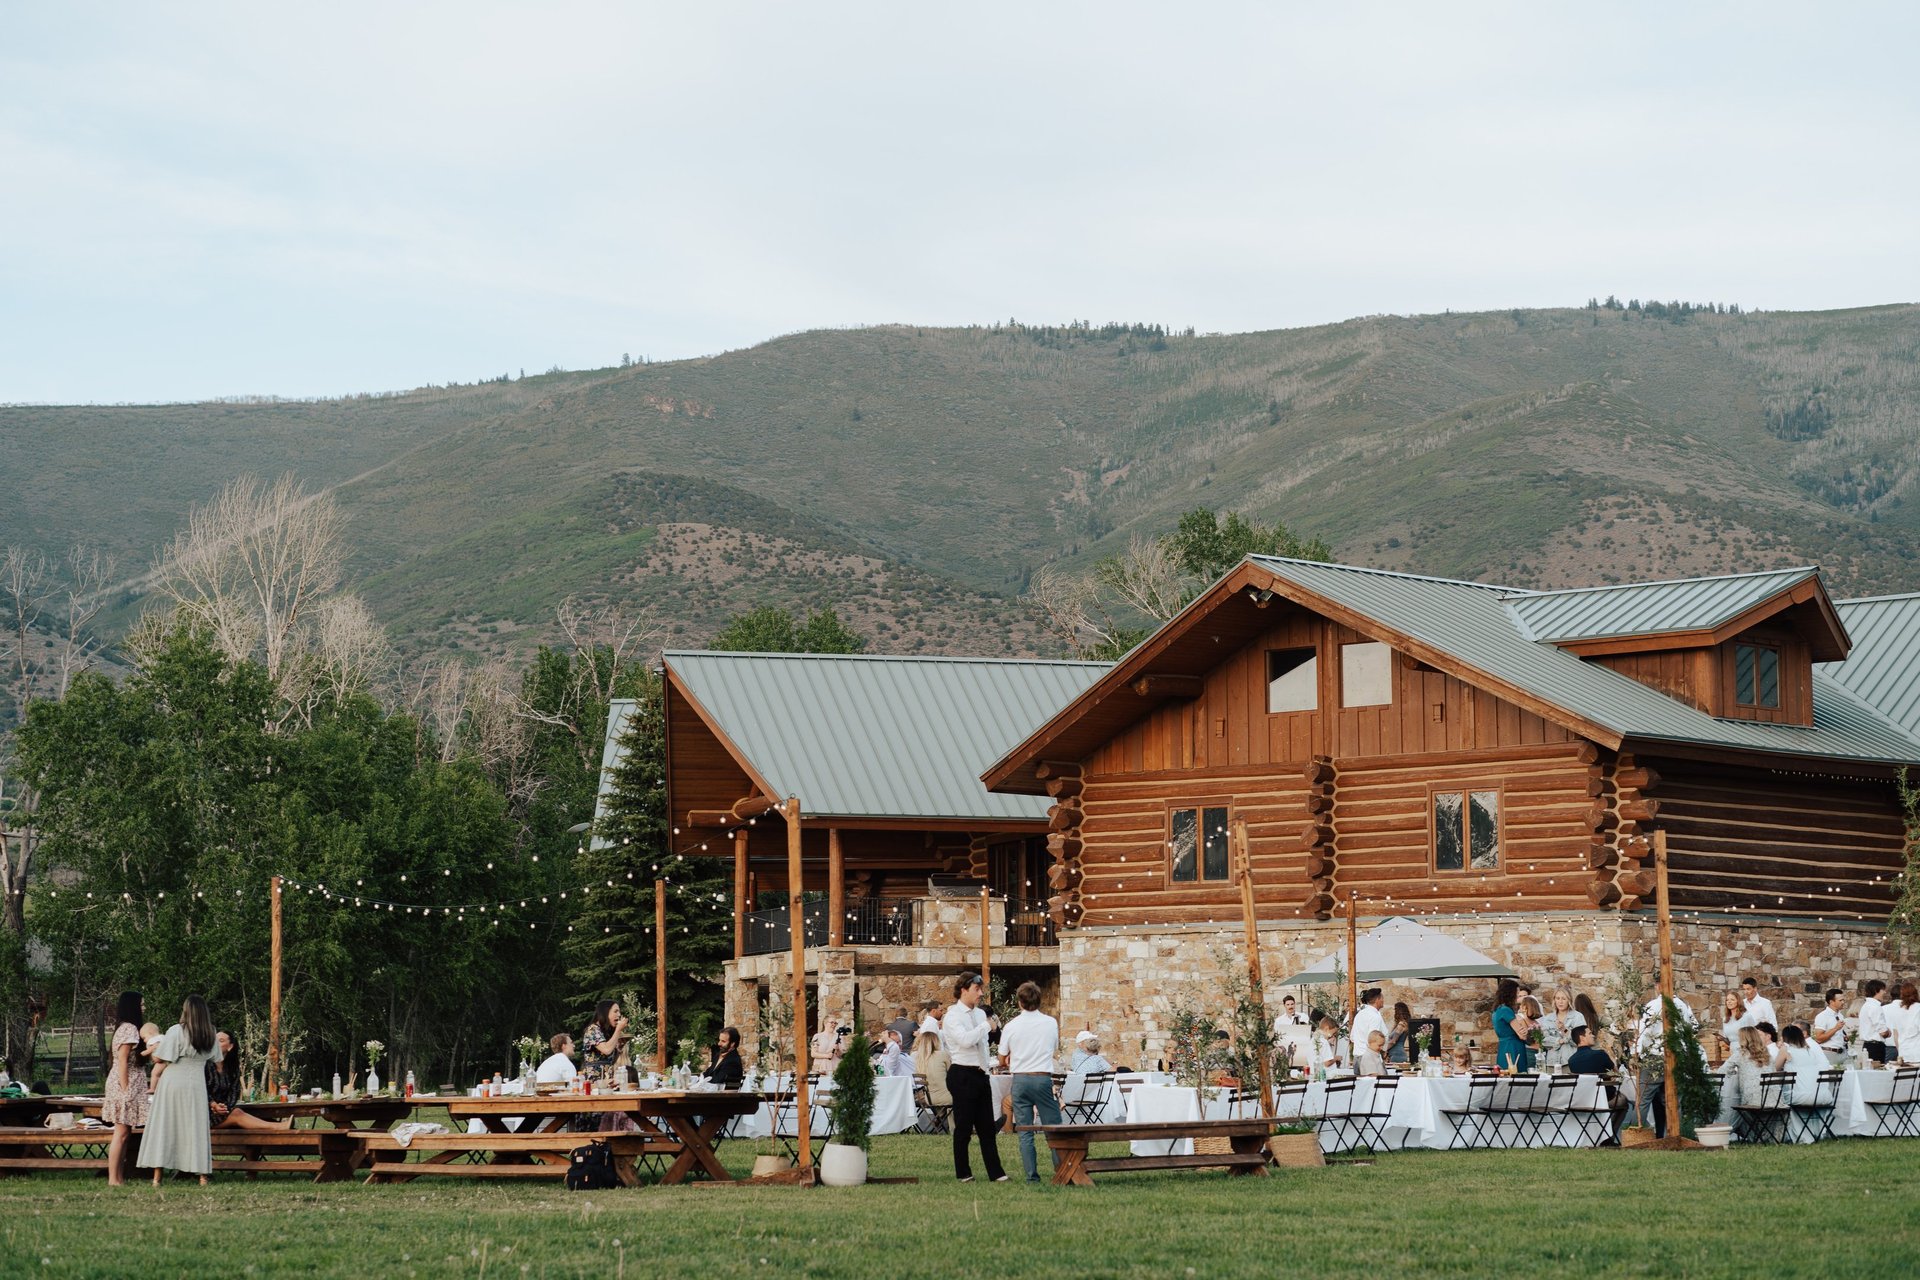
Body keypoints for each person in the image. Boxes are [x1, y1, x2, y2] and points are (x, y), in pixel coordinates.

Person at [138, 994, 221, 1186]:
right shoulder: (210, 1032)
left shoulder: (176, 1031)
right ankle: (202, 1175)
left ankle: (157, 1177)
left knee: (166, 1125)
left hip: (173, 1081)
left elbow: (161, 1058)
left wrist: (154, 1050)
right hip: (196, 1084)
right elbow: (216, 1058)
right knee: (195, 1126)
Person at [940, 971, 1007, 1182]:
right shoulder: (952, 1016)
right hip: (962, 1073)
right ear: (964, 990)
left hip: (980, 1074)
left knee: (987, 1127)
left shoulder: (979, 1014)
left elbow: (983, 1045)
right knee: (964, 1127)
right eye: (976, 990)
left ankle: (996, 1173)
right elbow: (965, 1040)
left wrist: (986, 1066)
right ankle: (963, 1173)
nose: (980, 994)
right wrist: (987, 1025)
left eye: (981, 990)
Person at [997, 981, 1060, 1183]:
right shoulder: (1050, 1023)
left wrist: (1009, 1058)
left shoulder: (1011, 1026)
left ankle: (1032, 1176)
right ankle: (1061, 1170)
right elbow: (1054, 1048)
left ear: (1019, 1002)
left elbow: (1001, 1058)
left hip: (1021, 1079)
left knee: (1024, 1129)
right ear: (1039, 1000)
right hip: (1042, 1078)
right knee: (1053, 1128)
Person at [101, 990, 149, 1187]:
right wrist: (125, 1088)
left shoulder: (125, 1027)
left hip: (128, 1081)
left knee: (125, 1133)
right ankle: (113, 1178)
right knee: (120, 1133)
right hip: (124, 1083)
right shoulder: (129, 1028)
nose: (144, 1007)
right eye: (142, 1003)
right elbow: (122, 1059)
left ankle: (120, 1176)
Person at [1634, 991, 1698, 1137]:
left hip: (1655, 1056)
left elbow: (1644, 1032)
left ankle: (1636, 1135)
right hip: (1677, 1056)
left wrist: (1639, 1054)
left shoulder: (1652, 1005)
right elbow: (1687, 1030)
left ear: (1657, 986)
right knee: (1673, 1101)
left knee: (1643, 1100)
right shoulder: (1682, 1005)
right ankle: (1676, 1135)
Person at [207, 1031, 289, 1131]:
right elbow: (200, 1091)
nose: (215, 1043)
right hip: (206, 1116)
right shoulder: (205, 1065)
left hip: (224, 1113)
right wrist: (213, 1105)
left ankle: (279, 1130)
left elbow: (234, 1092)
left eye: (220, 1041)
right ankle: (278, 1127)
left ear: (230, 1046)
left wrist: (224, 1108)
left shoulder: (232, 1068)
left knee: (242, 1114)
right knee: (237, 1113)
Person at [1565, 1025, 1627, 1143]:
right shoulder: (1599, 1054)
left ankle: (1599, 1135)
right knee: (1624, 1101)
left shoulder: (1571, 1060)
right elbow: (1617, 1074)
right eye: (1589, 1033)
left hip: (1585, 1099)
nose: (1593, 1035)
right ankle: (1609, 1137)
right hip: (1606, 1097)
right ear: (1582, 1037)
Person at [1723, 1026, 1770, 1117]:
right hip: (1774, 1099)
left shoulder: (1741, 1053)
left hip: (1752, 1100)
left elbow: (1723, 1070)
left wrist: (1735, 1072)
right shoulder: (1766, 1053)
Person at [580, 1000, 630, 1084]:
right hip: (594, 1081)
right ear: (605, 1013)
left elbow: (610, 1060)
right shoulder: (592, 1030)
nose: (619, 1014)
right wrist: (618, 1030)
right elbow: (607, 1050)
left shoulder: (606, 1032)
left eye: (619, 1011)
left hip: (607, 1079)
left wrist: (619, 1047)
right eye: (615, 1011)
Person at [1491, 978, 1533, 1072]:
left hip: (1504, 1046)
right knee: (1516, 1075)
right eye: (1517, 993)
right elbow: (1522, 1035)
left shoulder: (1497, 1009)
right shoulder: (1506, 1010)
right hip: (1513, 1047)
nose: (1518, 996)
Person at [1538, 988, 1585, 1068]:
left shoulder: (1577, 1016)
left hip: (1571, 1061)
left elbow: (1580, 1041)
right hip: (1551, 1063)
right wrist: (1559, 1041)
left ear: (1569, 1000)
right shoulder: (1548, 1018)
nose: (1560, 1002)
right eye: (1558, 998)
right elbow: (1543, 1041)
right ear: (1554, 1000)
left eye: (1564, 998)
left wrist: (1564, 1030)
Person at [1779, 1025, 1827, 1100]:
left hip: (1801, 1097)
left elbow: (1775, 1068)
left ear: (1785, 1037)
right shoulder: (1809, 1050)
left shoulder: (1786, 1049)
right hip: (1822, 1096)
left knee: (1777, 1095)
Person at [911, 1029, 952, 1110]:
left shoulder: (917, 1057)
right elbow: (952, 1075)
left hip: (929, 1099)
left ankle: (940, 1120)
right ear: (936, 1041)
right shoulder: (942, 1055)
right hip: (948, 1098)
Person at [1858, 980, 1895, 1063]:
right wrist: (1888, 1032)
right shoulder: (1875, 1007)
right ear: (1876, 990)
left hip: (1868, 1046)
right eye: (1883, 990)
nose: (1885, 992)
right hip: (1875, 1047)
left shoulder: (1866, 1006)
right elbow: (1883, 1032)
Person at [1349, 989, 1388, 1064]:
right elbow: (1373, 1040)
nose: (1383, 1001)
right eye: (1382, 998)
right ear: (1377, 1000)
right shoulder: (1375, 1017)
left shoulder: (1359, 1015)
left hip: (1357, 1057)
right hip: (1369, 1058)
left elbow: (1352, 1037)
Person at [1811, 989, 1850, 1061]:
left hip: (1842, 1053)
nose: (1843, 1002)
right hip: (1829, 1053)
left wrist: (1844, 1037)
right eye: (1840, 1000)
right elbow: (1819, 1039)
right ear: (1831, 1002)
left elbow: (1836, 1036)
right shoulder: (1822, 1016)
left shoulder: (1840, 1015)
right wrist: (1835, 1029)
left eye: (1843, 1000)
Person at [1893, 982, 1920, 1064]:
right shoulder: (1918, 1008)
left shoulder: (1897, 1010)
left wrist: (1900, 1051)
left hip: (1903, 1052)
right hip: (1917, 1052)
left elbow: (1895, 1034)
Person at [1719, 993, 1751, 1063]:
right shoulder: (1725, 1019)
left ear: (1738, 1001)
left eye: (1732, 1000)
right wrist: (1722, 1039)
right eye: (1727, 1000)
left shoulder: (1746, 1016)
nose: (1729, 1002)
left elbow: (1753, 1035)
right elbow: (1729, 1039)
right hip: (1732, 1050)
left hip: (1745, 1050)